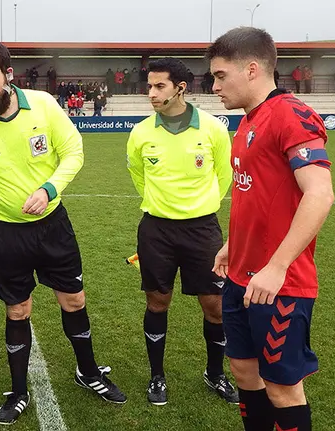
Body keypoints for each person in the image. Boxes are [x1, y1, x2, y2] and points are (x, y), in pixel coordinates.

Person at [0, 40, 126, 426]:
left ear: (8, 75)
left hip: (53, 227)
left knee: (74, 301)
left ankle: (88, 372)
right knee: (17, 309)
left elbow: (73, 151)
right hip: (5, 234)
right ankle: (19, 390)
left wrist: (48, 190)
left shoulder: (42, 105)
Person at [207, 27, 334, 431]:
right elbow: (259, 196)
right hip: (241, 277)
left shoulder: (291, 116)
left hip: (281, 283)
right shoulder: (246, 123)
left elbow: (320, 194)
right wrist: (232, 243)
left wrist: (277, 266)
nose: (214, 87)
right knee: (246, 374)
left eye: (220, 76)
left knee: (283, 388)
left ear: (251, 69)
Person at [126, 57, 237, 406]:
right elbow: (138, 177)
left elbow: (224, 175)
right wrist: (163, 207)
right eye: (150, 86)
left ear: (180, 88)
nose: (152, 93)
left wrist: (200, 206)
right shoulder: (141, 132)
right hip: (156, 230)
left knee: (215, 305)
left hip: (202, 230)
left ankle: (215, 374)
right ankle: (157, 376)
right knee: (158, 301)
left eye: (159, 86)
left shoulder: (213, 129)